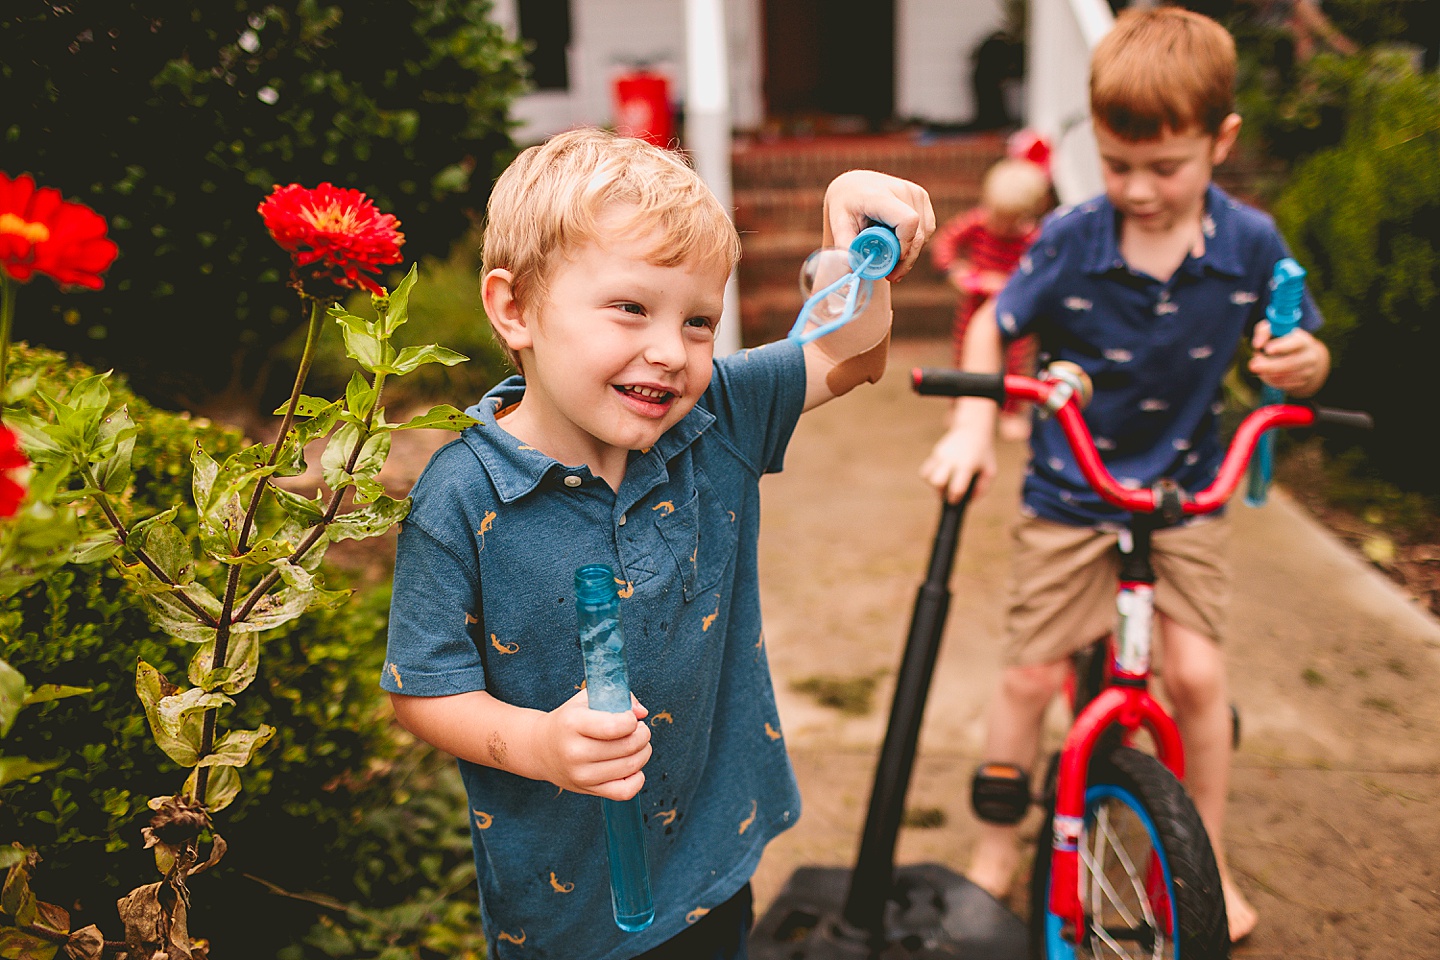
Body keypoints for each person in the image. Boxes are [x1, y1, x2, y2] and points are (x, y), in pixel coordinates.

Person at [381, 127, 934, 960]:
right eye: (632, 307)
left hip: (711, 860)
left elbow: (849, 354)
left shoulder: (715, 425)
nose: (671, 352)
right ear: (515, 308)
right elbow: (421, 690)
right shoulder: (461, 495)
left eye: (701, 321)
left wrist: (853, 244)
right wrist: (536, 744)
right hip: (564, 913)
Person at [919, 8, 1330, 944]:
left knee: (1196, 674)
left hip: (1186, 494)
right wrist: (977, 418)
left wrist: (1302, 363)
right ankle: (995, 845)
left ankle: (1202, 857)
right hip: (1072, 492)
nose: (1138, 189)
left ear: (1220, 141)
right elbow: (993, 321)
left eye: (1166, 166)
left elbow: (1298, 346)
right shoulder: (1069, 237)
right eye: (1117, 164)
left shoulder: (1251, 244)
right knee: (1028, 678)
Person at [931, 157, 1051, 442]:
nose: (1000, 225)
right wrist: (955, 271)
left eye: (1010, 221)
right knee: (963, 353)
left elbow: (1040, 273)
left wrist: (1013, 285)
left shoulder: (1034, 239)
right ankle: (961, 404)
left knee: (1015, 361)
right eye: (996, 215)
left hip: (1015, 310)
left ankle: (1009, 411)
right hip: (974, 305)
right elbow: (945, 241)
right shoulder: (978, 222)